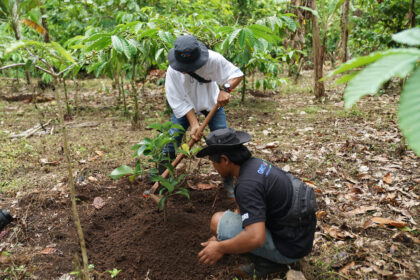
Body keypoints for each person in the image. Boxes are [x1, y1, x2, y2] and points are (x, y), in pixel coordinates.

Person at [196, 128, 317, 278]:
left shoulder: (247, 185)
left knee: (217, 222)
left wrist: (220, 247)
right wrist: (222, 236)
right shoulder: (257, 164)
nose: (213, 165)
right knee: (226, 226)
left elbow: (256, 237)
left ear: (225, 160)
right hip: (299, 238)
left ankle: (267, 264)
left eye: (212, 161)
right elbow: (248, 206)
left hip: (289, 249)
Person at [162, 34, 244, 198]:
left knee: (223, 143)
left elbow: (236, 73)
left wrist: (225, 89)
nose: (186, 69)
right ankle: (162, 178)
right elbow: (178, 101)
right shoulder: (173, 71)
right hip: (185, 109)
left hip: (212, 103)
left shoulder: (213, 60)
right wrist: (193, 124)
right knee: (172, 139)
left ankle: (229, 183)